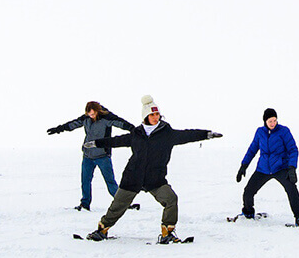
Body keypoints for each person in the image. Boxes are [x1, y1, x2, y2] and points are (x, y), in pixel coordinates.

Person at [81, 97, 223, 244]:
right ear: (145, 116)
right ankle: (102, 230)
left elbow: (188, 134)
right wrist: (96, 143)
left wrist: (207, 134)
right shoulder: (137, 133)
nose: (156, 117)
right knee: (117, 206)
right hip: (133, 176)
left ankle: (167, 232)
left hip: (155, 178)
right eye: (152, 115)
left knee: (171, 199)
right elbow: (117, 140)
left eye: (157, 114)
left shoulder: (167, 134)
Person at [48, 101, 137, 211]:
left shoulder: (107, 118)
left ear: (98, 111)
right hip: (88, 156)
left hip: (103, 156)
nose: (91, 116)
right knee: (85, 181)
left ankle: (124, 204)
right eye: (89, 115)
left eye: (93, 114)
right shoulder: (86, 118)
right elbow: (72, 124)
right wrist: (58, 129)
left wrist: (135, 131)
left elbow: (122, 123)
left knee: (110, 182)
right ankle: (85, 204)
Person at [235, 108, 299, 227]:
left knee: (292, 191)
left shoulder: (284, 131)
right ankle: (248, 213)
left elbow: (293, 150)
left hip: (280, 167)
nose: (273, 123)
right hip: (263, 169)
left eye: (275, 120)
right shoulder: (260, 132)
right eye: (270, 121)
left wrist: (292, 167)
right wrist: (243, 166)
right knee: (248, 192)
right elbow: (252, 149)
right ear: (265, 121)